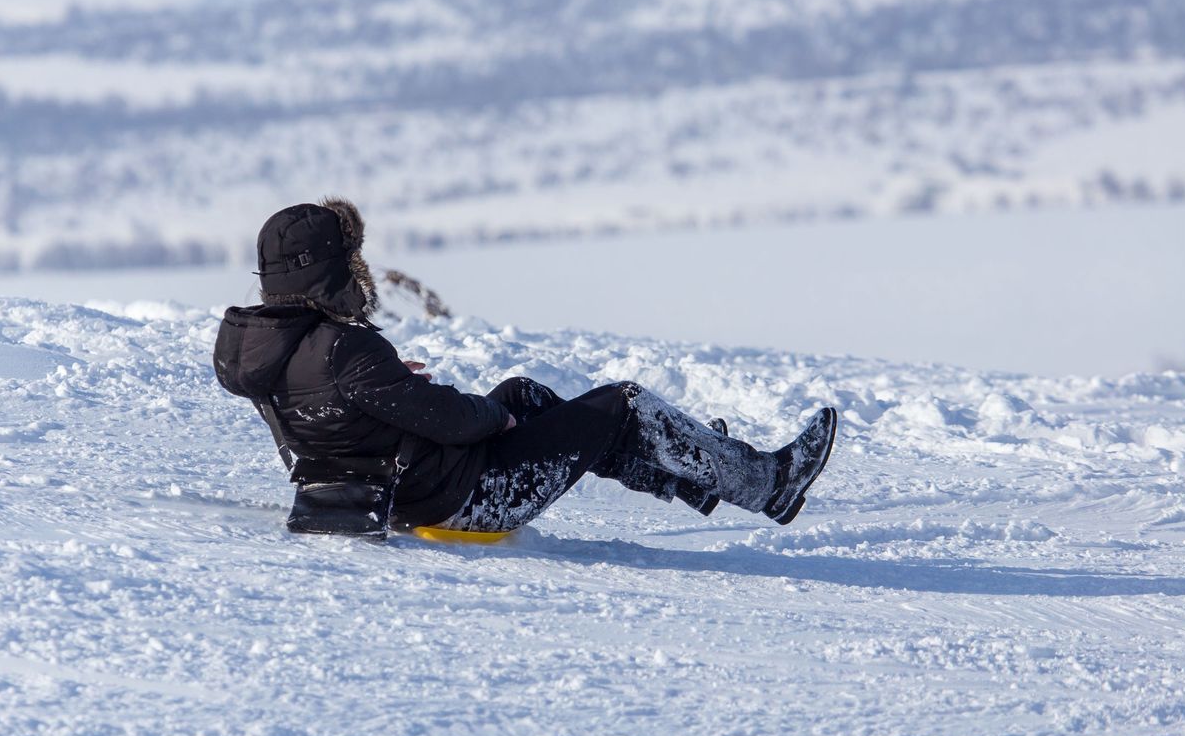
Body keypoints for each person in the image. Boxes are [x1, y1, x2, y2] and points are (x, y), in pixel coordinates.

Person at [213, 199, 837, 533]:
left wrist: (389, 386)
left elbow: (335, 409)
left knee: (524, 394)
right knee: (620, 403)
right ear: (330, 271)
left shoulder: (265, 348)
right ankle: (765, 484)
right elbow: (455, 422)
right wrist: (491, 420)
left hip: (392, 487)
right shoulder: (345, 348)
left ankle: (692, 467)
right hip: (462, 498)